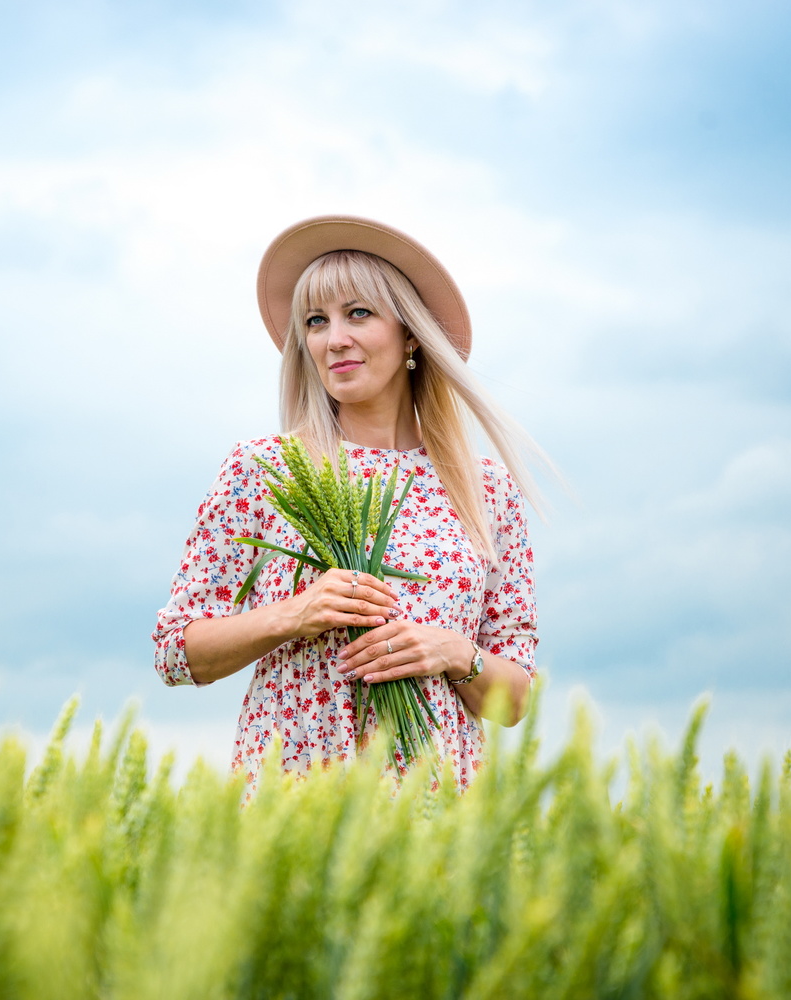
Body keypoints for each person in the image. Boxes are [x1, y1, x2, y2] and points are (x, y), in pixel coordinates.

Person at [152, 215, 544, 788]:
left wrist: (454, 652)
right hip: (298, 795)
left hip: (436, 802)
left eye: (358, 313)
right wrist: (295, 614)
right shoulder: (264, 470)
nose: (334, 338)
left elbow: (515, 702)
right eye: (316, 321)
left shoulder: (484, 489)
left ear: (411, 334)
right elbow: (175, 652)